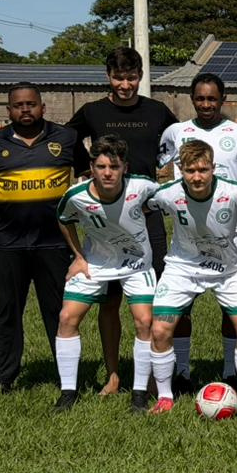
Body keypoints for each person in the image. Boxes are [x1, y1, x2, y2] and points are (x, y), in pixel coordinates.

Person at [66, 48, 179, 396]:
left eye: (132, 78)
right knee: (110, 302)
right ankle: (114, 375)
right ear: (108, 76)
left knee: (150, 303)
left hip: (147, 219)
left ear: (141, 76)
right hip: (106, 222)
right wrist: (83, 171)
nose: (125, 85)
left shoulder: (157, 111)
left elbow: (187, 138)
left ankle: (155, 375)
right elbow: (62, 140)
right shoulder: (93, 111)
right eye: (119, 78)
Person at [145, 140, 237, 414]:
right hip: (182, 269)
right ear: (180, 169)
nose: (197, 177)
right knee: (161, 329)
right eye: (190, 170)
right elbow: (140, 208)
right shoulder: (168, 194)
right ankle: (165, 398)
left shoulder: (235, 193)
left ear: (214, 168)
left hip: (229, 271)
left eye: (203, 169)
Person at [158, 72, 237, 388]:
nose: (206, 104)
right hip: (187, 235)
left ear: (222, 99)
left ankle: (231, 371)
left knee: (232, 312)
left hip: (226, 235)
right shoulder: (177, 132)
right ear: (193, 99)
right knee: (180, 310)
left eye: (212, 99)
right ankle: (182, 371)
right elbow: (153, 163)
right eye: (200, 98)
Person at [0, 84, 86, 392]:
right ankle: (4, 378)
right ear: (8, 111)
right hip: (7, 243)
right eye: (18, 105)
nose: (25, 110)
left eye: (31, 104)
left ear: (42, 107)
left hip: (54, 243)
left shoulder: (66, 138)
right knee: (7, 312)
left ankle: (67, 379)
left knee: (59, 313)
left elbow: (89, 180)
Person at [54, 135, 157, 412]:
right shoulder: (76, 196)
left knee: (144, 321)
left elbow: (170, 200)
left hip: (137, 264)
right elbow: (63, 219)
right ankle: (68, 394)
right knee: (67, 317)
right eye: (101, 167)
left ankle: (139, 394)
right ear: (92, 167)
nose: (108, 173)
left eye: (114, 166)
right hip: (95, 263)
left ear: (125, 167)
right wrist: (78, 256)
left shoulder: (143, 187)